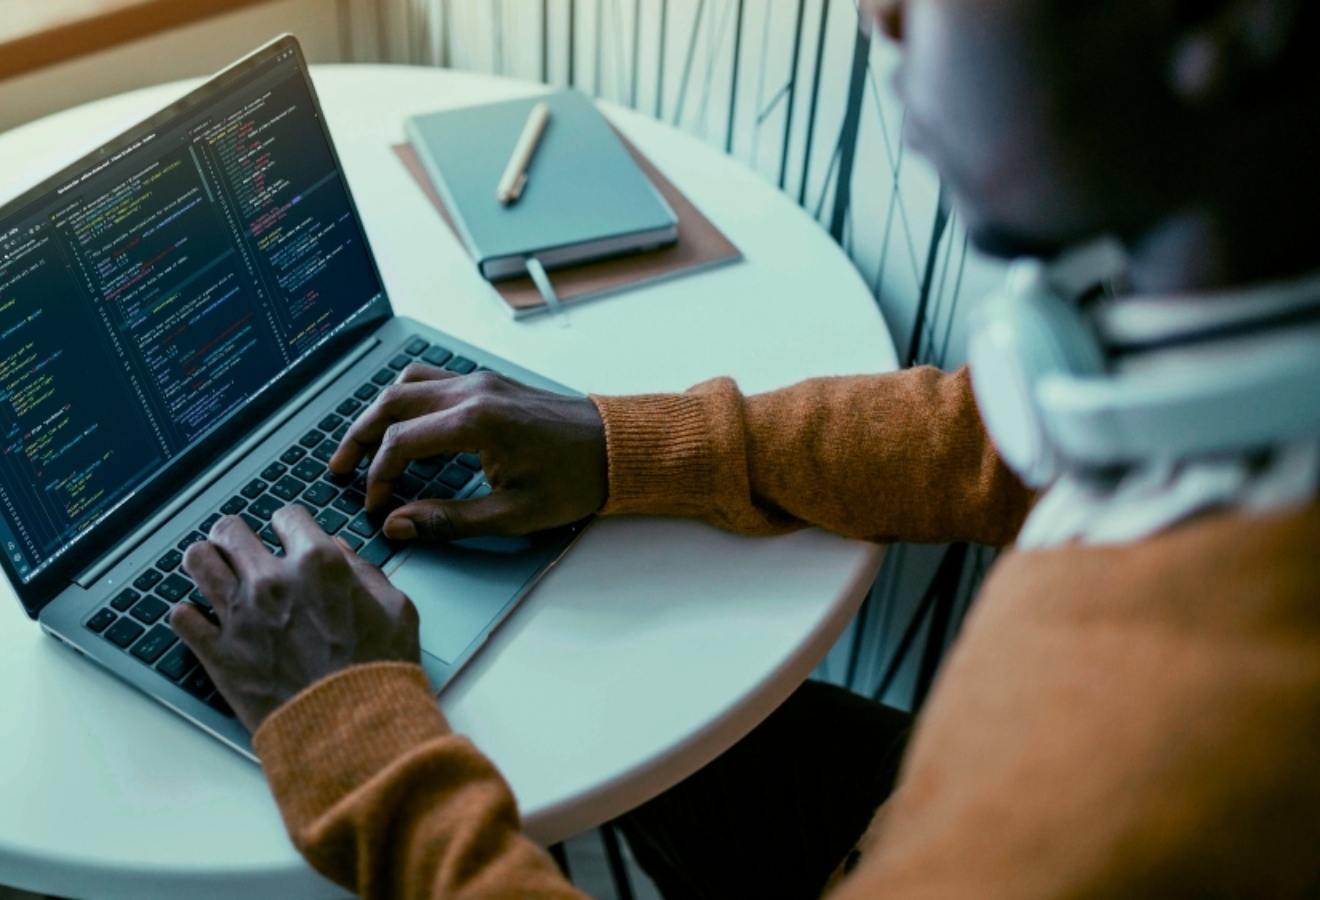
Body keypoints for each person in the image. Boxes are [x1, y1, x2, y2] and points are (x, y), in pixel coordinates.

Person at [167, 0, 1320, 896]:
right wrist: (627, 446)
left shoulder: (1181, 752)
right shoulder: (1213, 394)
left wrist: (356, 734)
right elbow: (998, 442)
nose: (879, 15)